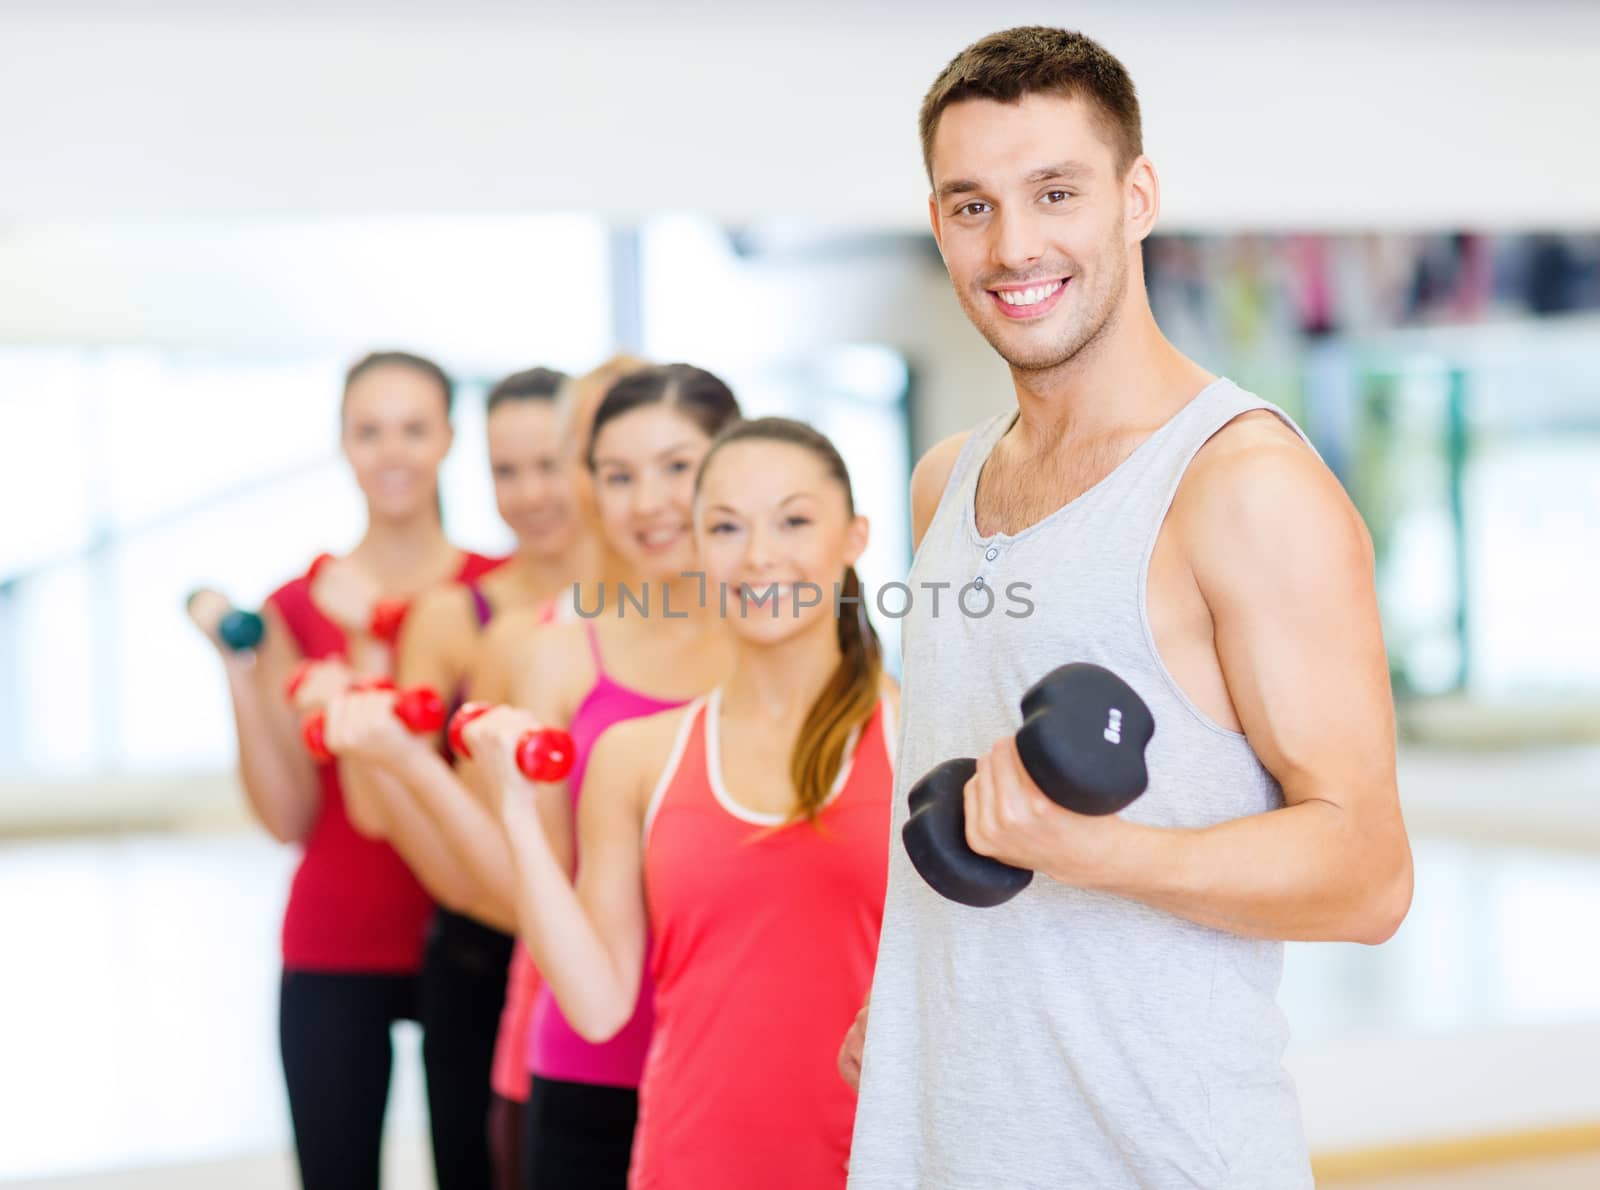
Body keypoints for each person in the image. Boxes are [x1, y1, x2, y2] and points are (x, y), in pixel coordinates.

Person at [839, 27, 1414, 1189]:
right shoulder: (945, 480)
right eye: (970, 206)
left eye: (1055, 191)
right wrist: (907, 993)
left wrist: (1098, 854)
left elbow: (1367, 873)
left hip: (1155, 1156)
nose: (1013, 246)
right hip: (936, 1141)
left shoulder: (1242, 486)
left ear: (1136, 195)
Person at [327, 362, 740, 1187]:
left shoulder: (794, 631)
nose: (648, 500)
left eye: (676, 467)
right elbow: (506, 888)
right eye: (617, 472)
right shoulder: (539, 645)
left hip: (751, 1048)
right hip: (590, 1055)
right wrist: (414, 766)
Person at [467, 418, 895, 1189]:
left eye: (794, 520)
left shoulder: (921, 734)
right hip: (687, 1161)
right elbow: (597, 1006)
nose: (760, 554)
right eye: (726, 527)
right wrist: (517, 812)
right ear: (698, 550)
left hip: (878, 1164)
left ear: (854, 537)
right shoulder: (638, 757)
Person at [187, 350, 500, 1190]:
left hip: (475, 935)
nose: (392, 450)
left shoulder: (494, 592)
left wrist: (368, 654)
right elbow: (289, 816)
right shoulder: (293, 603)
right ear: (342, 444)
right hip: (336, 936)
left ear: (448, 438)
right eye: (369, 430)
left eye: (413, 428)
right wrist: (240, 676)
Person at [323, 365, 587, 1190]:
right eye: (506, 471)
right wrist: (479, 888)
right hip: (484, 953)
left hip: (612, 937)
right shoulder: (455, 615)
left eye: (550, 463)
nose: (531, 493)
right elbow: (375, 806)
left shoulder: (653, 604)